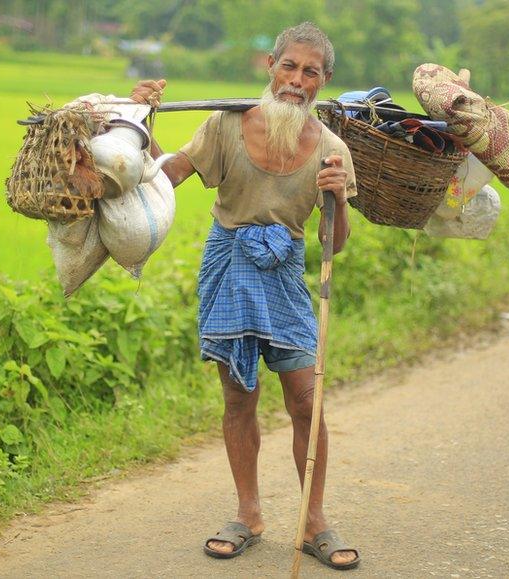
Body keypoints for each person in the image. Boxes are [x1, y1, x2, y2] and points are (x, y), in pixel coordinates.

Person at [130, 22, 361, 570]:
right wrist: (141, 121)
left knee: (306, 398)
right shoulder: (226, 125)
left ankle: (314, 521)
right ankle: (248, 514)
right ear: (270, 67)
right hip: (228, 265)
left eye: (310, 72)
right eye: (289, 66)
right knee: (239, 398)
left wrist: (339, 200)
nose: (296, 81)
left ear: (324, 81)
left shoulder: (331, 150)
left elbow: (334, 244)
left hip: (284, 275)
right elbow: (168, 178)